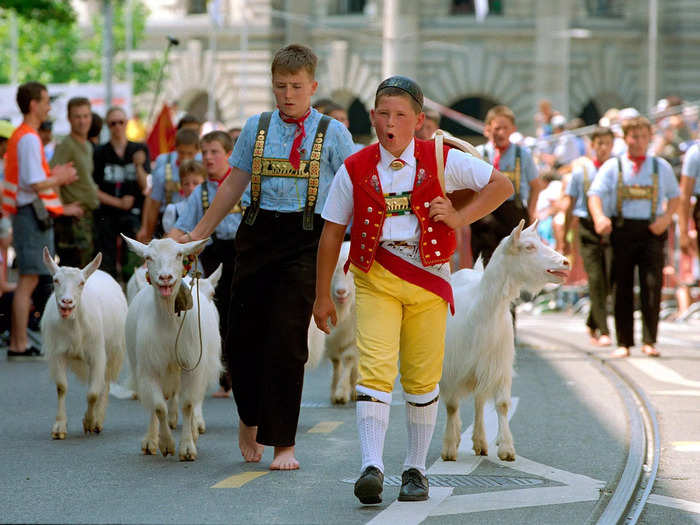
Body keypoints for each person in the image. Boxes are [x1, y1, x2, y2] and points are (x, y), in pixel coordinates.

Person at [314, 76, 513, 504]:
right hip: (375, 276)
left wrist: (461, 217)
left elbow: (502, 186)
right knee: (375, 369)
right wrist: (322, 294)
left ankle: (415, 470)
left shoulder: (442, 159)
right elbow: (331, 234)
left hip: (429, 278)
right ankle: (371, 466)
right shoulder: (355, 167)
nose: (391, 123)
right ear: (372, 117)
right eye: (383, 114)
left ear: (418, 120)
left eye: (401, 115)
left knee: (423, 377)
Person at [184, 44, 355, 470]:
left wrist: (370, 242)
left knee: (285, 340)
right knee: (241, 336)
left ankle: (283, 444)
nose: (288, 94)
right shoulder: (255, 127)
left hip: (305, 240)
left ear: (312, 86)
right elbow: (231, 186)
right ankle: (248, 416)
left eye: (297, 86)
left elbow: (357, 189)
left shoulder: (333, 134)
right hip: (257, 235)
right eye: (280, 86)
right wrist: (198, 235)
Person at [588, 116, 680, 358]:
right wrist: (599, 218)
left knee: (652, 285)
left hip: (651, 231)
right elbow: (595, 194)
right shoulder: (613, 166)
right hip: (622, 230)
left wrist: (665, 219)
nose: (637, 142)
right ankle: (624, 342)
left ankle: (650, 340)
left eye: (642, 136)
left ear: (650, 138)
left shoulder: (661, 167)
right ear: (625, 138)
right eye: (633, 136)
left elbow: (675, 197)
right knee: (621, 286)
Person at [2, 82, 80, 360]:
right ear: (34, 104)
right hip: (30, 216)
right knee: (28, 281)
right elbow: (35, 184)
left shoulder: (25, 136)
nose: (49, 107)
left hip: (26, 214)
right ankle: (19, 344)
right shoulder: (29, 138)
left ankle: (19, 342)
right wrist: (60, 178)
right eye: (46, 101)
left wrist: (55, 175)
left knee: (29, 279)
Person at [167, 132, 238, 400]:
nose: (207, 157)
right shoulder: (201, 193)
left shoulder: (245, 185)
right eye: (204, 152)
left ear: (229, 154)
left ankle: (248, 376)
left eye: (214, 152)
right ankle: (225, 378)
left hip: (245, 260)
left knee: (246, 321)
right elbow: (180, 227)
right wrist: (159, 250)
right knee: (217, 320)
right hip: (215, 265)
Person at [563, 127, 615, 346]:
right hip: (586, 227)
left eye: (607, 143)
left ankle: (592, 321)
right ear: (592, 145)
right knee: (595, 278)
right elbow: (570, 204)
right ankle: (604, 330)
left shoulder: (616, 169)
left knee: (610, 277)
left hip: (612, 225)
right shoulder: (581, 172)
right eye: (599, 143)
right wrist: (565, 234)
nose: (603, 148)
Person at [473, 105, 542, 265]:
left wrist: (530, 214)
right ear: (488, 129)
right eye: (497, 128)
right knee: (484, 261)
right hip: (485, 214)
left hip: (513, 212)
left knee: (514, 262)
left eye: (505, 128)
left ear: (513, 130)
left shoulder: (522, 154)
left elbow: (536, 186)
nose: (501, 133)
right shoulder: (477, 153)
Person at [92, 106, 150, 281]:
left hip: (133, 214)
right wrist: (118, 203)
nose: (117, 127)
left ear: (126, 124)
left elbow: (146, 186)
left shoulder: (139, 149)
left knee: (132, 264)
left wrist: (139, 166)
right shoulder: (100, 152)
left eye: (121, 122)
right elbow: (92, 189)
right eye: (112, 123)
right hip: (107, 213)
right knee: (106, 263)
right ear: (107, 126)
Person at [50, 97, 100, 268]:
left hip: (86, 218)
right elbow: (52, 178)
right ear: (69, 118)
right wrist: (63, 209)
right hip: (72, 222)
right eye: (77, 116)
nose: (82, 121)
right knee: (74, 272)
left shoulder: (86, 145)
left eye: (86, 116)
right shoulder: (66, 145)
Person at [137, 128, 200, 242]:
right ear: (175, 149)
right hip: (169, 221)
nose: (185, 158)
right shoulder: (164, 171)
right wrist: (148, 236)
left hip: (196, 221)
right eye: (182, 153)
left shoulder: (203, 170)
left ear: (197, 151)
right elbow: (154, 205)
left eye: (189, 153)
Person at [161, 160, 205, 233]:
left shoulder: (212, 206)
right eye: (186, 184)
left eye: (196, 183)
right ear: (181, 186)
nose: (191, 188)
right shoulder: (173, 210)